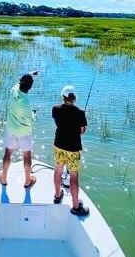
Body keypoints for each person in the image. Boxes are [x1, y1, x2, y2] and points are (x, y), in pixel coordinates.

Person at [52, 85, 89, 216]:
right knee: (73, 175)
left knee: (58, 169)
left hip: (59, 144)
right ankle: (76, 206)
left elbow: (58, 122)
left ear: (63, 96)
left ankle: (57, 195)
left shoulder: (55, 109)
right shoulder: (80, 112)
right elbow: (82, 131)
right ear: (74, 98)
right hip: (73, 148)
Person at [0, 72, 38, 188]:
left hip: (11, 129)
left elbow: (19, 82)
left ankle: (4, 178)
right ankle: (27, 180)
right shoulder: (26, 103)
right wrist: (34, 114)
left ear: (20, 83)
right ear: (29, 88)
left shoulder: (13, 90)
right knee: (26, 155)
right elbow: (30, 118)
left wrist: (30, 74)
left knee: (8, 153)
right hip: (24, 133)